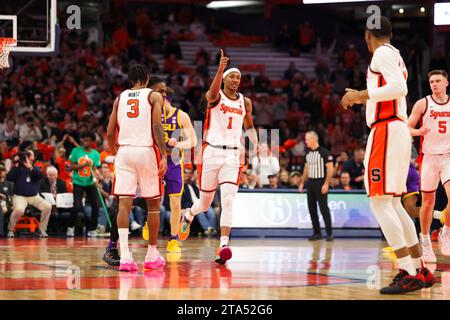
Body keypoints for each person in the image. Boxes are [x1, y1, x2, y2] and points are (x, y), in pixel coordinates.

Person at [341, 16, 435, 294]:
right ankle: (419, 268)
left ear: (368, 37)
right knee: (392, 204)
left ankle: (406, 270)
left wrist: (360, 95)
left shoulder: (381, 53)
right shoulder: (395, 53)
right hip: (397, 129)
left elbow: (399, 88)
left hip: (386, 130)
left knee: (380, 204)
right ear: (390, 33)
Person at [178, 50, 260, 265]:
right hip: (211, 152)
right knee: (204, 204)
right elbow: (211, 95)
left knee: (228, 200)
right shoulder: (215, 97)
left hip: (233, 154)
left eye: (239, 78)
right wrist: (221, 68)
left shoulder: (246, 102)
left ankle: (223, 245)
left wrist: (256, 142)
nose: (236, 80)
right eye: (232, 77)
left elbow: (249, 126)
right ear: (224, 79)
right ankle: (188, 214)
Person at [106, 63, 167, 271]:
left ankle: (124, 257)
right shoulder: (153, 96)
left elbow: (110, 130)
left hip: (124, 152)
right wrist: (164, 154)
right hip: (145, 151)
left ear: (130, 80)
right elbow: (157, 126)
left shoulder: (119, 98)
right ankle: (151, 254)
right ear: (147, 78)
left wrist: (114, 150)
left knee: (124, 204)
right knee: (153, 205)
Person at [144, 78, 197, 254]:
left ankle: (173, 239)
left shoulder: (181, 115)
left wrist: (178, 144)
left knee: (175, 203)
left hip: (174, 162)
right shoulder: (150, 114)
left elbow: (193, 140)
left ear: (167, 100)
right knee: (154, 199)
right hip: (154, 160)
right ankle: (147, 221)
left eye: (163, 98)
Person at [407, 69, 450, 262]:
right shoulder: (423, 103)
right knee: (428, 203)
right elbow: (406, 128)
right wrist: (418, 131)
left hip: (448, 156)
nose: (434, 84)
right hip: (429, 157)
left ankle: (446, 231)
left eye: (438, 81)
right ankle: (424, 240)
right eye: (432, 81)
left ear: (446, 83)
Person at [6, 151, 52, 238]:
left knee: (48, 206)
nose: (27, 159)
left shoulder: (35, 168)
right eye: (25, 157)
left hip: (34, 196)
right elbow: (9, 178)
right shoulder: (17, 169)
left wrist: (30, 167)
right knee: (19, 209)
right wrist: (15, 165)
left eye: (29, 157)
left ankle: (41, 230)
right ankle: (11, 229)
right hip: (20, 196)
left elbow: (40, 176)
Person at [298, 131, 334, 241]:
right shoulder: (307, 153)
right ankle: (317, 233)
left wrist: (326, 183)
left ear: (314, 139)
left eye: (307, 139)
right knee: (312, 209)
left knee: (324, 209)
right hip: (310, 183)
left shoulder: (324, 152)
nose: (306, 141)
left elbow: (330, 168)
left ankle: (329, 233)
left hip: (320, 182)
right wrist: (302, 183)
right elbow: (306, 169)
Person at [66, 132, 101, 237]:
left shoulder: (95, 154)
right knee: (77, 206)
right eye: (83, 139)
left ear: (91, 142)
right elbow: (71, 167)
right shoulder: (76, 151)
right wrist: (83, 165)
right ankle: (70, 227)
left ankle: (92, 229)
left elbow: (95, 168)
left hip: (90, 182)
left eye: (87, 140)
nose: (84, 142)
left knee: (96, 205)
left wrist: (96, 179)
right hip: (78, 182)